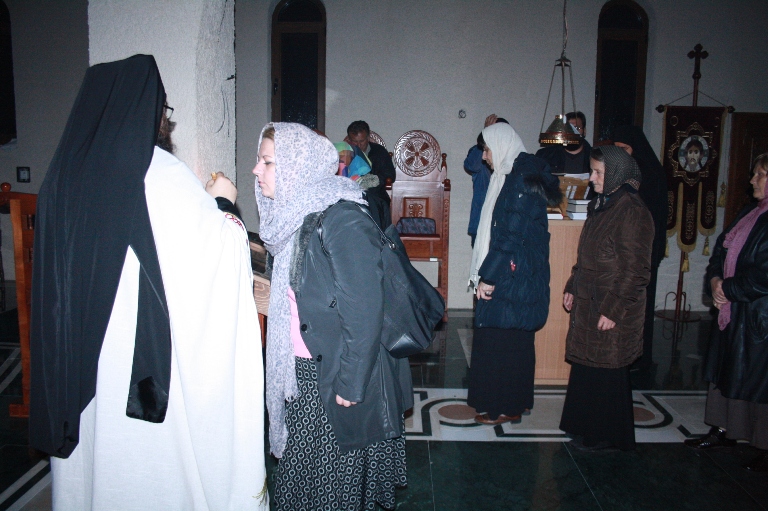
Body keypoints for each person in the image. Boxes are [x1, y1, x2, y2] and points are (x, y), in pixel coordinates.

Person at [29, 55, 267, 509]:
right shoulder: (159, 173)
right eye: (164, 111)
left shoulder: (63, 176)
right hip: (139, 373)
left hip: (81, 367)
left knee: (95, 464)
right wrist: (223, 204)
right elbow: (214, 256)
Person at [254, 122, 412, 510]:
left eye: (268, 162)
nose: (257, 170)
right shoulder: (291, 219)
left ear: (297, 166)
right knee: (301, 489)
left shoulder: (341, 219)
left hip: (337, 376)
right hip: (303, 375)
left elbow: (365, 310)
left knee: (330, 491)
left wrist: (351, 384)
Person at [560, 146, 654, 451]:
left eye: (598, 172)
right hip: (591, 298)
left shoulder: (632, 211)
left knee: (607, 372)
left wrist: (613, 309)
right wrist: (572, 285)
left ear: (616, 174)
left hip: (612, 303)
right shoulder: (603, 203)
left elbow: (636, 271)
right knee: (589, 367)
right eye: (592, 170)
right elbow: (587, 254)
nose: (592, 177)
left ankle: (606, 436)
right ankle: (583, 427)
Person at [467, 122, 561, 425]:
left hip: (513, 273)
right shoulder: (512, 174)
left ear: (501, 145)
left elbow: (510, 234)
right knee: (507, 339)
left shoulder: (521, 178)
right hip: (513, 270)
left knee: (504, 340)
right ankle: (512, 402)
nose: (484, 157)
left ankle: (506, 407)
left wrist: (489, 277)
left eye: (487, 149)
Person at [684, 154, 768, 472]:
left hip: (758, 314)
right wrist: (716, 280)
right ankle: (723, 430)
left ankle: (764, 444)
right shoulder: (750, 212)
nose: (752, 180)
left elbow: (764, 275)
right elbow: (721, 250)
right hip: (733, 310)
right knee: (725, 371)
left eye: (760, 174)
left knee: (758, 380)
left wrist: (728, 289)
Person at [613, 125, 669, 371]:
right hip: (628, 248)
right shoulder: (628, 170)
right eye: (617, 149)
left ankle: (637, 357)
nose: (621, 154)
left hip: (643, 250)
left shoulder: (649, 173)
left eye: (625, 149)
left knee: (639, 304)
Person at [464, 114, 508, 247]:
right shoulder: (481, 154)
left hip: (505, 227)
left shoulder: (514, 159)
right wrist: (486, 136)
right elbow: (471, 165)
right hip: (481, 223)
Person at [535, 111, 592, 176]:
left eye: (576, 128)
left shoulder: (594, 156)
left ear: (584, 131)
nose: (572, 132)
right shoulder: (544, 155)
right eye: (568, 128)